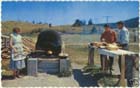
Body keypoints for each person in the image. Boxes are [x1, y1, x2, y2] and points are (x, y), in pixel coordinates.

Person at [117, 21, 133, 87]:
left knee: (124, 62)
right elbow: (120, 39)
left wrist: (118, 43)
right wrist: (117, 42)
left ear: (122, 25)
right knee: (120, 61)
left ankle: (125, 76)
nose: (118, 26)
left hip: (124, 47)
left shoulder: (124, 30)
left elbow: (125, 41)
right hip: (122, 46)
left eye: (118, 25)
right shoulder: (121, 30)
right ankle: (123, 75)